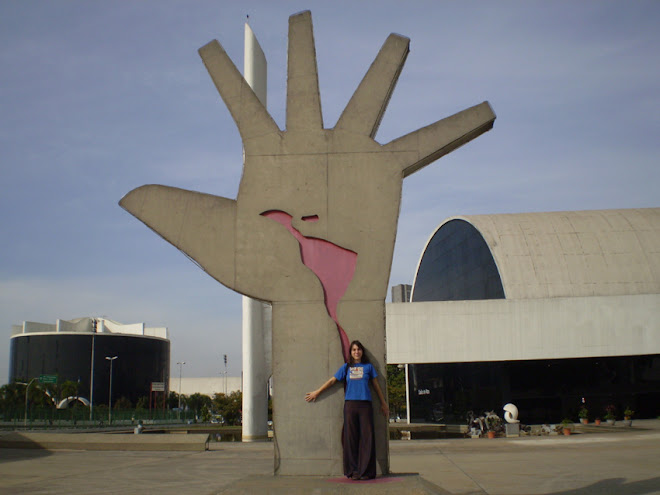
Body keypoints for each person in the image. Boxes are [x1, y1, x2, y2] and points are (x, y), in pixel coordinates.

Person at [305, 340, 389, 480]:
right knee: (350, 438)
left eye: (359, 349)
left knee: (367, 438)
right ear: (350, 353)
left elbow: (376, 386)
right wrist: (317, 392)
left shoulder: (368, 367)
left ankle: (366, 471)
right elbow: (332, 381)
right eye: (354, 350)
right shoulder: (346, 367)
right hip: (350, 405)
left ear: (362, 352)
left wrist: (383, 403)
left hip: (365, 405)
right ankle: (353, 471)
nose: (357, 352)